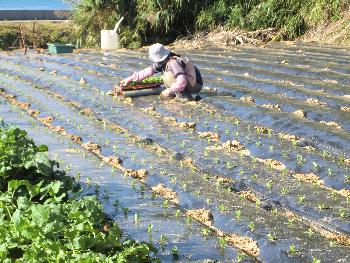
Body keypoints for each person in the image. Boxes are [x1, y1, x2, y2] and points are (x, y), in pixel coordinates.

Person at [120, 43, 203, 101]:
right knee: (165, 74)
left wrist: (170, 90)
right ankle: (178, 92)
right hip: (187, 84)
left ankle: (185, 96)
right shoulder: (163, 62)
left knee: (169, 75)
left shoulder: (173, 62)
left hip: (195, 85)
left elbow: (182, 81)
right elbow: (148, 71)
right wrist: (130, 79)